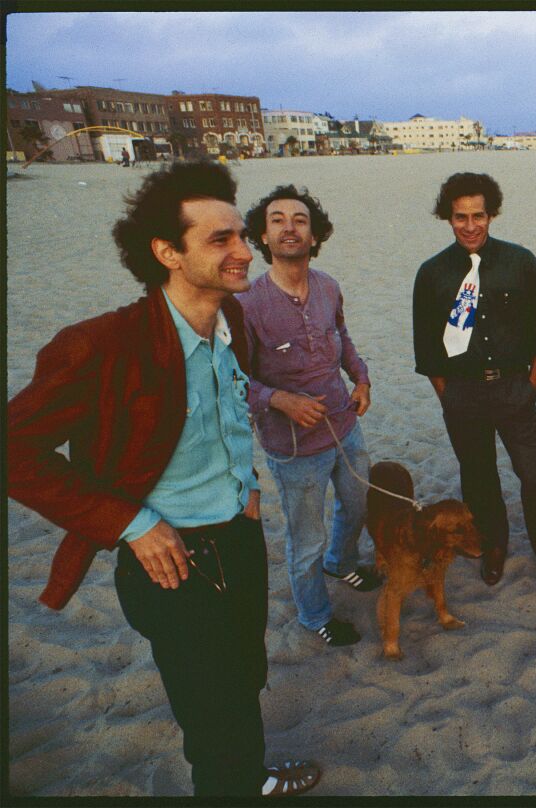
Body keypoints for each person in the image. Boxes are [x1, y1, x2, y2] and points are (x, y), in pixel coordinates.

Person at [6, 162, 320, 797]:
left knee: (246, 678)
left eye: (240, 234)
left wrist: (247, 487)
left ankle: (252, 776)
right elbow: (15, 451)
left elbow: (228, 417)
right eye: (220, 240)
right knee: (215, 715)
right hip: (169, 560)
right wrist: (131, 524)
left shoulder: (233, 328)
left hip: (238, 537)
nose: (243, 250)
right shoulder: (103, 344)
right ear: (167, 252)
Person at [412, 172, 536, 585]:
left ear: (491, 214)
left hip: (514, 388)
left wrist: (530, 383)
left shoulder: (520, 262)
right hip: (462, 393)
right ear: (448, 217)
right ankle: (493, 544)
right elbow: (427, 347)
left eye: (478, 216)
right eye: (460, 217)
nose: (470, 226)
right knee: (478, 476)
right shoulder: (432, 273)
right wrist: (449, 395)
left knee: (534, 474)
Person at [239, 184, 376, 647]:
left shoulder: (329, 287)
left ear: (314, 236)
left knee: (357, 506)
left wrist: (361, 379)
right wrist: (280, 400)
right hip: (294, 448)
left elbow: (344, 339)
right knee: (306, 539)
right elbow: (232, 380)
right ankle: (314, 613)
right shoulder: (246, 305)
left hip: (345, 427)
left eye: (299, 219)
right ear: (263, 236)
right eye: (277, 220)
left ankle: (344, 564)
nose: (289, 227)